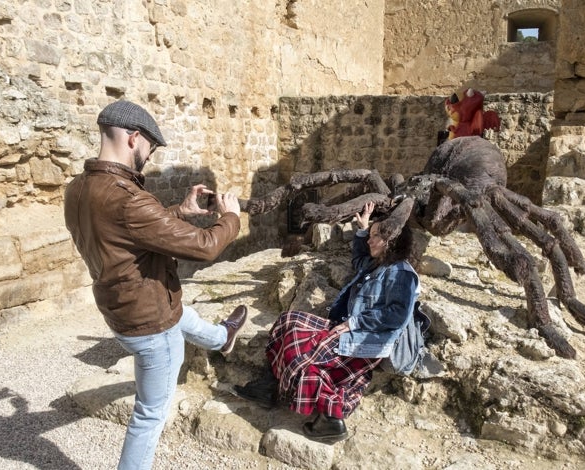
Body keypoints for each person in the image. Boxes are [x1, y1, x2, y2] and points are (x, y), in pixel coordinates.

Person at [63, 100, 248, 470]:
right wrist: (230, 218)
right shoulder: (130, 200)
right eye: (151, 147)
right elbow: (205, 246)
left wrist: (180, 212)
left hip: (121, 305)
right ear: (134, 138)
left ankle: (220, 337)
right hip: (150, 325)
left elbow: (128, 231)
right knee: (149, 417)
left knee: (184, 314)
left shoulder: (79, 188)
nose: (149, 156)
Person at [234, 201, 420, 443]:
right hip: (347, 329)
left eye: (375, 237)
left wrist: (355, 323)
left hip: (365, 341)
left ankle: (331, 418)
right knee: (288, 320)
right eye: (370, 236)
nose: (369, 241)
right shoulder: (376, 265)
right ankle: (270, 386)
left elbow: (396, 315)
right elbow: (358, 257)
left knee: (303, 355)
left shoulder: (401, 273)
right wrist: (364, 228)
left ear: (391, 241)